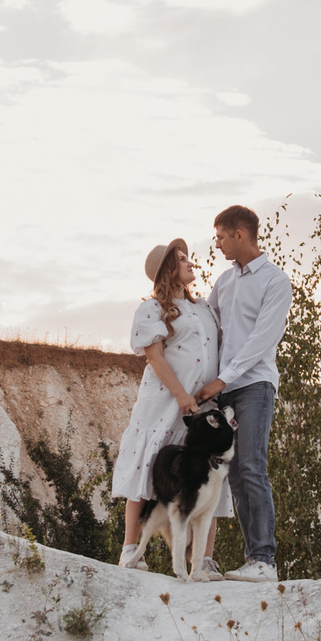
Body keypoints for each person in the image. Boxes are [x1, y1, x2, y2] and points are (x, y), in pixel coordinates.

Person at [110, 238, 229, 569]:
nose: (190, 262)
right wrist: (180, 396)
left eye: (188, 257)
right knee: (146, 467)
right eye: (181, 258)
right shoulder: (151, 309)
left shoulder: (204, 307)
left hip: (201, 405)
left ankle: (202, 559)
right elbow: (155, 357)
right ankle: (131, 550)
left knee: (207, 475)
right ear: (167, 269)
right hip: (164, 402)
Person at [195, 203, 290, 583]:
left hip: (254, 385)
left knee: (252, 465)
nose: (215, 244)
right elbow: (208, 321)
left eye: (220, 236)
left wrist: (223, 379)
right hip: (225, 389)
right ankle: (252, 561)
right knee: (234, 474)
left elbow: (261, 340)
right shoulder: (225, 281)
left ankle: (264, 560)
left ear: (240, 234)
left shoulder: (275, 281)